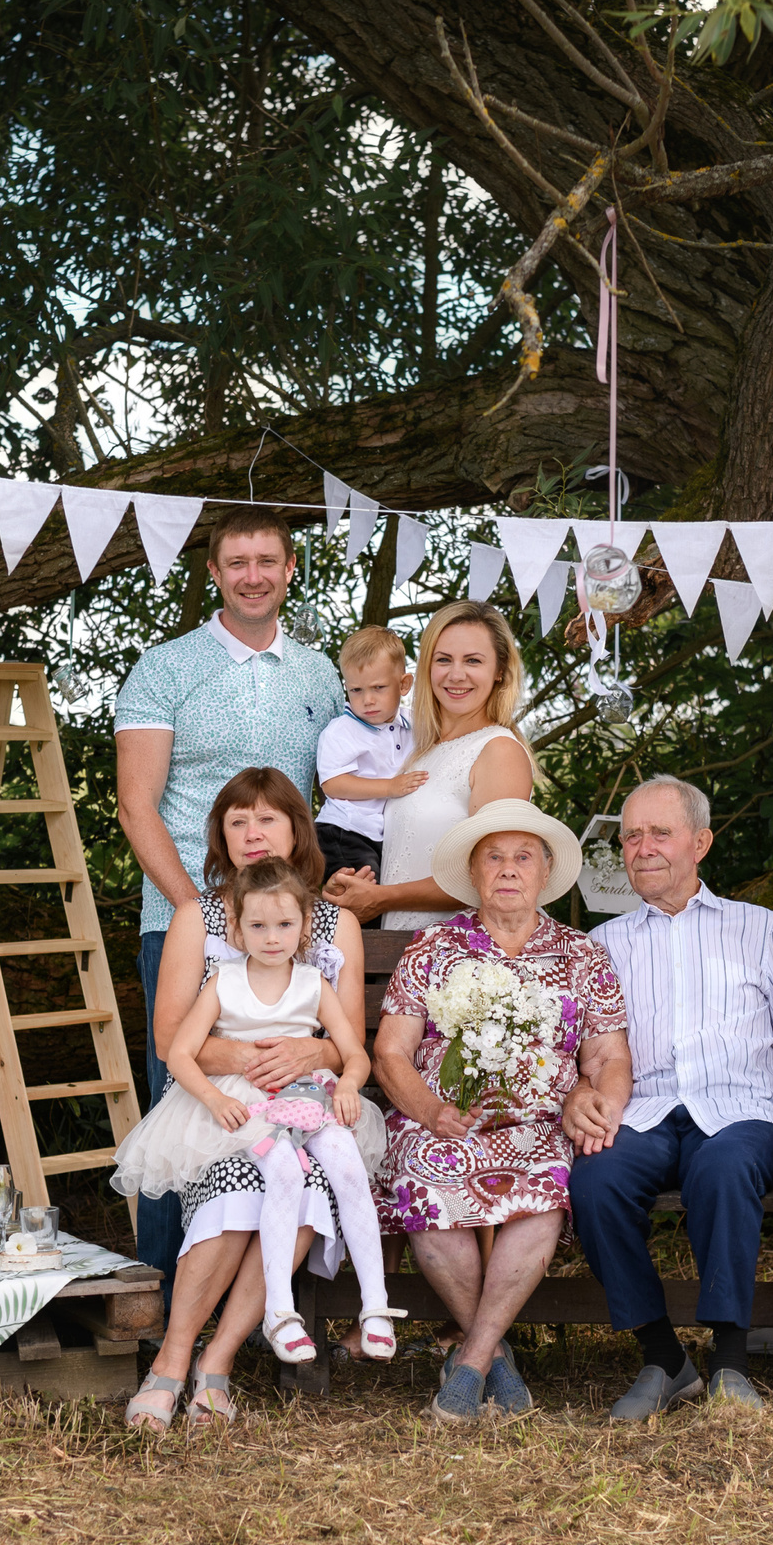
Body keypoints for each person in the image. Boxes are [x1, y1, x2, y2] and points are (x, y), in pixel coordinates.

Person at [114, 512, 345, 1279]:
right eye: (237, 562)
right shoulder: (165, 668)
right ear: (212, 572)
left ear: (290, 569)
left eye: (267, 561)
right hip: (184, 921)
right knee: (180, 1109)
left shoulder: (318, 675)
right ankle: (160, 1299)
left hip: (287, 932)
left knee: (285, 1100)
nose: (253, 575)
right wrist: (202, 914)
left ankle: (266, 1301)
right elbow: (136, 805)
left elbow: (338, 793)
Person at [373, 799, 631, 1422]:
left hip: (539, 1123)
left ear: (545, 872)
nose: (508, 869)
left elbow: (608, 1055)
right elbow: (391, 1053)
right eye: (493, 857)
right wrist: (431, 1110)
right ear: (474, 872)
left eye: (523, 857)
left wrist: (599, 1104)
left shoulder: (580, 954)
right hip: (443, 1121)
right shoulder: (434, 947)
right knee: (425, 1185)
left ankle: (470, 1360)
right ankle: (493, 1357)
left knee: (544, 1192)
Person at [126, 773, 369, 1428]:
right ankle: (171, 1361)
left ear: (297, 831)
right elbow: (170, 1037)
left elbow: (346, 1041)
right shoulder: (198, 917)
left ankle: (218, 1361)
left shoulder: (335, 923)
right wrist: (246, 1059)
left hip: (303, 1102)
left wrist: (310, 1055)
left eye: (267, 819)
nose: (252, 833)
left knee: (306, 1189)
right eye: (237, 821)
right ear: (221, 837)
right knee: (236, 1186)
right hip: (216, 1104)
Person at [567, 775, 773, 1420]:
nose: (642, 848)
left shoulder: (760, 927)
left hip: (740, 1108)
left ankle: (730, 1361)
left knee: (723, 1172)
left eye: (660, 833)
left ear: (700, 843)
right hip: (644, 1110)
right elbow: (586, 1051)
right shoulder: (605, 943)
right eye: (631, 836)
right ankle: (664, 1359)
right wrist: (584, 1093)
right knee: (595, 1182)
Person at [324, 601, 533, 930]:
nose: (456, 674)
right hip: (397, 946)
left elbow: (496, 876)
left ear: (500, 671)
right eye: (443, 659)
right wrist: (349, 885)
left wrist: (382, 898)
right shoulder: (416, 746)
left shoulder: (498, 751)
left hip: (460, 949)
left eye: (473, 661)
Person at [312, 625, 421, 880]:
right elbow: (333, 785)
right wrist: (389, 787)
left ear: (404, 684)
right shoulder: (341, 730)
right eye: (356, 690)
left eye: (378, 687)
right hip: (344, 831)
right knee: (363, 889)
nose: (367, 700)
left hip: (379, 834)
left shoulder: (414, 724)